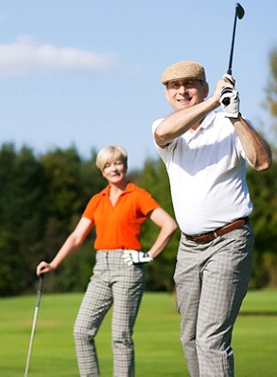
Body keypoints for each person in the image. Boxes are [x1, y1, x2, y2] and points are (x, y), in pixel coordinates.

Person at [152, 60, 272, 377]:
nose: (182, 91)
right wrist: (213, 101)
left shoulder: (228, 125)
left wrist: (234, 115)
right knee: (189, 336)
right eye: (174, 86)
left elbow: (261, 162)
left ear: (204, 87)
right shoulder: (165, 129)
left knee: (210, 339)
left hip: (230, 242)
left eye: (190, 84)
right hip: (189, 248)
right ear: (166, 94)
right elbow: (165, 131)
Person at [36, 145, 177, 377]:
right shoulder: (97, 200)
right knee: (82, 331)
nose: (114, 168)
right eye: (108, 165)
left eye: (118, 163)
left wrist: (149, 255)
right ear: (102, 171)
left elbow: (169, 225)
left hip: (129, 268)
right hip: (101, 268)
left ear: (126, 165)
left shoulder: (139, 196)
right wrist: (53, 264)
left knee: (120, 337)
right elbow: (76, 237)